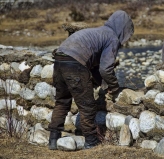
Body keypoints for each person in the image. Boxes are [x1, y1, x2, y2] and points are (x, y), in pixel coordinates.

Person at [48, 10, 134, 150]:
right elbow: (105, 69)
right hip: (75, 63)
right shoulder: (111, 37)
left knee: (62, 101)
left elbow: (94, 66)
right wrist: (114, 86)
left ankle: (53, 139)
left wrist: (103, 84)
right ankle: (91, 141)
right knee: (87, 106)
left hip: (59, 59)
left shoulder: (98, 31)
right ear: (123, 29)